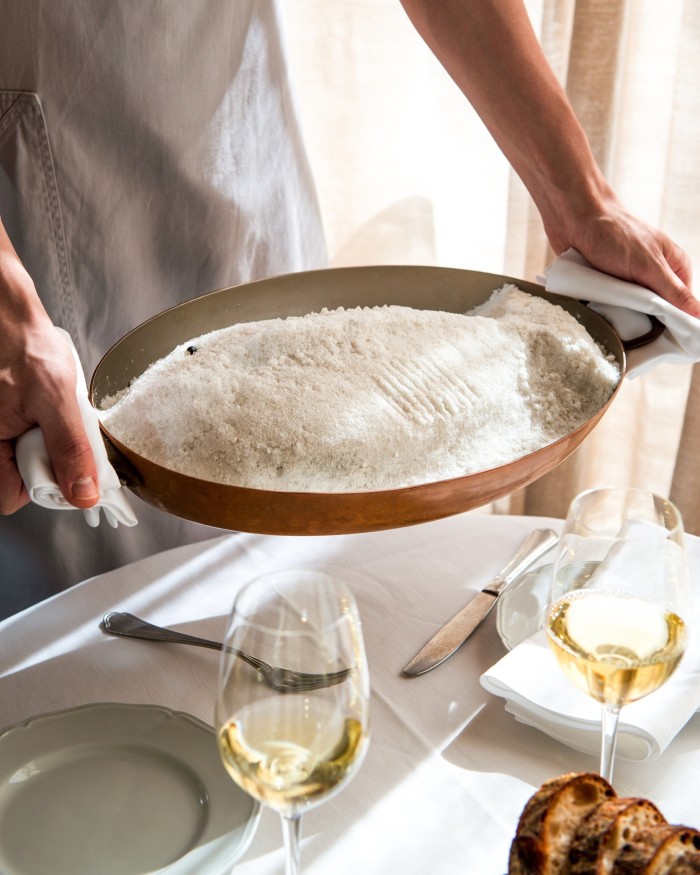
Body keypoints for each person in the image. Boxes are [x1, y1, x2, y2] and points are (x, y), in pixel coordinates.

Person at [1, 1, 697, 615]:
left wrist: (581, 197)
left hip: (233, 134)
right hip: (44, 199)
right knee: (88, 627)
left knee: (296, 602)